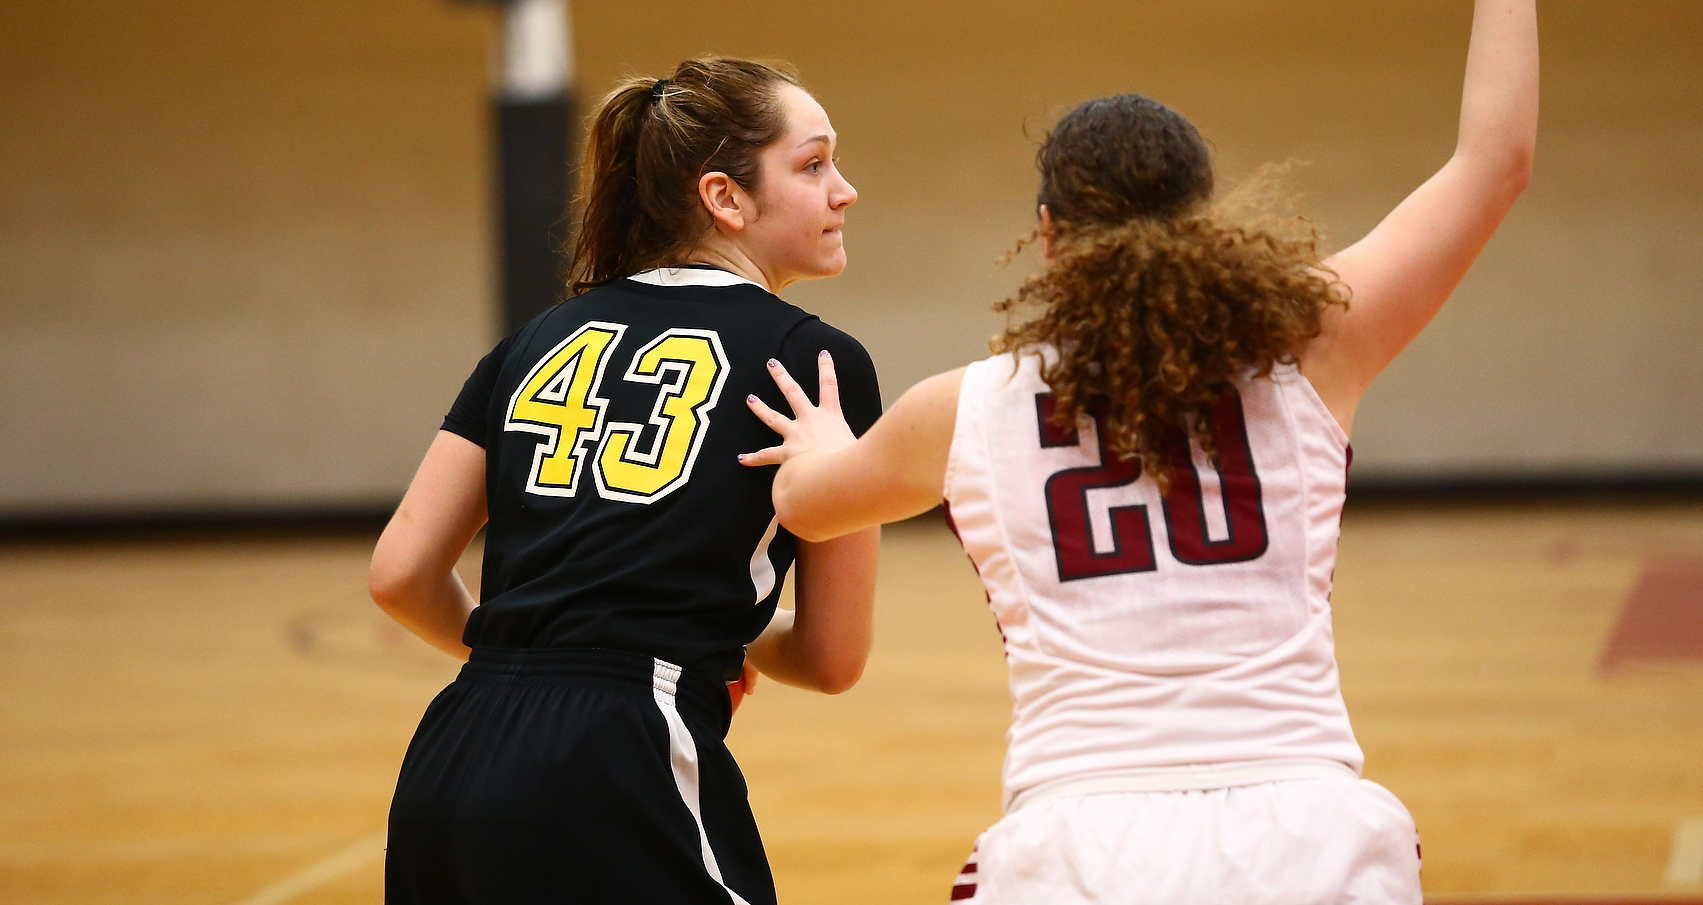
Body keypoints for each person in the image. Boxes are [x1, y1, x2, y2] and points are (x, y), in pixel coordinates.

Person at [738, 1, 1537, 901]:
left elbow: (804, 504)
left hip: (1079, 838)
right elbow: (1495, 161)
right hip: (1307, 830)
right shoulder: (1312, 341)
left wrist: (817, 442)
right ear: (1203, 219)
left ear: (1046, 232)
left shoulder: (960, 407)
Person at [368, 57, 883, 905]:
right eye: (814, 163)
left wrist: (564, 646)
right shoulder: (816, 365)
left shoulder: (532, 339)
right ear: (725, 197)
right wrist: (668, 642)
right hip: (623, 757)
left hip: (452, 753)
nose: (844, 190)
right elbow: (832, 657)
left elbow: (399, 573)